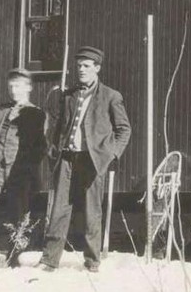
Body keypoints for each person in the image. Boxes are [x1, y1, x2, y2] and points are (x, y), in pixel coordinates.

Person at [42, 45, 131, 272]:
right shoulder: (69, 96)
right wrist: (54, 148)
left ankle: (92, 261)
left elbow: (124, 129)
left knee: (92, 211)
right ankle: (50, 260)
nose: (81, 69)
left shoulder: (111, 96)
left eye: (86, 66)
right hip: (67, 158)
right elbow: (59, 126)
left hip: (92, 161)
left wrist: (112, 153)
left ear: (97, 68)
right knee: (59, 209)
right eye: (79, 66)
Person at [0, 68, 48, 267]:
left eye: (18, 86)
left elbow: (40, 147)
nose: (14, 90)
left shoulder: (37, 114)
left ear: (29, 87)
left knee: (17, 212)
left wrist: (26, 168)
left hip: (18, 171)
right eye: (11, 86)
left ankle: (13, 257)